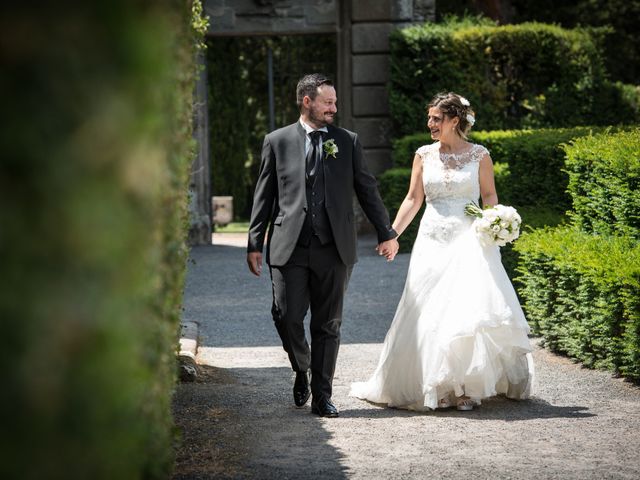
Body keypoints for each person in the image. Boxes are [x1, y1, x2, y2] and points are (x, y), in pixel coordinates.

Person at [350, 92, 533, 411]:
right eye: (430, 118)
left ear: (454, 120)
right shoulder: (423, 155)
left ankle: (463, 387)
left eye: (436, 118)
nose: (430, 123)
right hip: (432, 241)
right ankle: (438, 384)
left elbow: (489, 196)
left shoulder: (480, 155)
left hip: (469, 241)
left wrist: (494, 224)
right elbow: (412, 199)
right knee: (429, 309)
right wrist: (391, 234)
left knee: (464, 311)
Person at [247, 73, 399, 417]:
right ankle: (302, 367)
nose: (334, 107)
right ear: (307, 101)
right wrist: (254, 242)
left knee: (328, 324)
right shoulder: (277, 140)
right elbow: (264, 195)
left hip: (335, 248)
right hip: (289, 245)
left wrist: (386, 231)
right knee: (286, 316)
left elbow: (367, 189)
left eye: (334, 102)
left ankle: (322, 396)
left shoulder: (347, 141)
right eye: (327, 102)